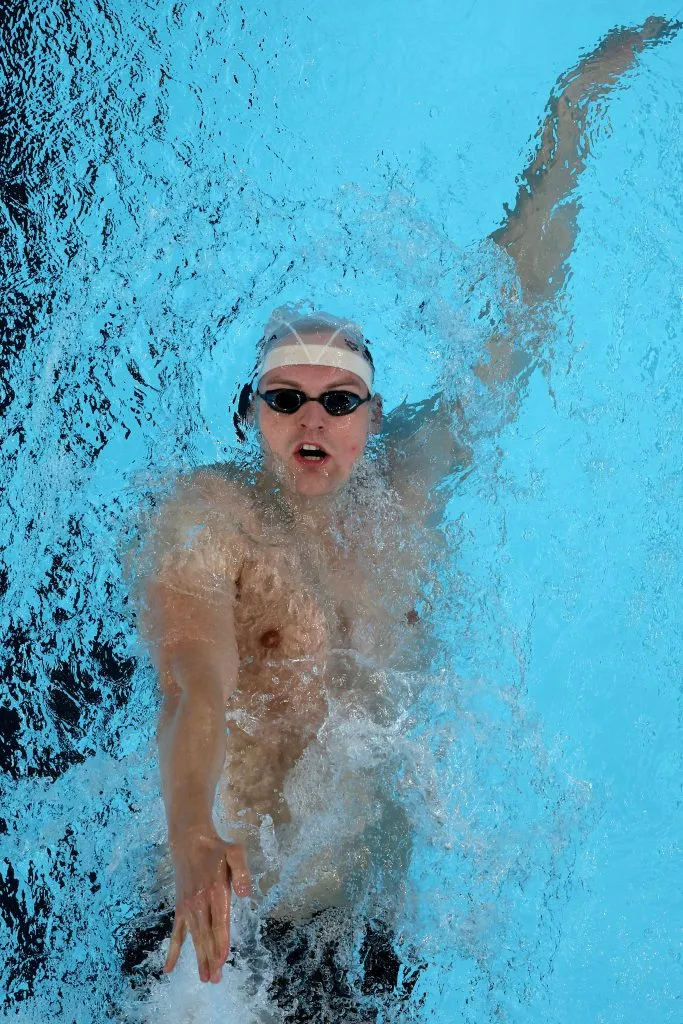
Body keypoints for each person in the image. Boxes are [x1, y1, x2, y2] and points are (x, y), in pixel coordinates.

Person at [132, 16, 679, 1020]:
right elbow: (189, 679)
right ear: (246, 414)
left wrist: (571, 110)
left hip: (361, 939)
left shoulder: (406, 486)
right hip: (230, 916)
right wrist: (190, 835)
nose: (311, 419)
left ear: (373, 419)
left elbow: (509, 308)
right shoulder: (211, 516)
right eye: (281, 397)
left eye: (337, 401)